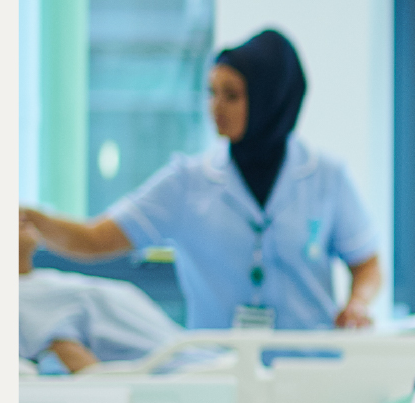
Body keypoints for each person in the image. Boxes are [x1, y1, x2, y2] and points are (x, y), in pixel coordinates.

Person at [20, 29, 383, 332]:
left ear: (271, 100)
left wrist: (357, 303)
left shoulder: (326, 178)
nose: (215, 108)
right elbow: (96, 238)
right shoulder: (186, 184)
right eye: (211, 93)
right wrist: (34, 220)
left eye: (232, 96)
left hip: (309, 367)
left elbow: (366, 263)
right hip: (218, 370)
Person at [19, 218, 179, 372]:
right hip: (175, 375)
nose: (21, 215)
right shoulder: (23, 296)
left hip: (189, 355)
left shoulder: (44, 280)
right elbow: (77, 362)